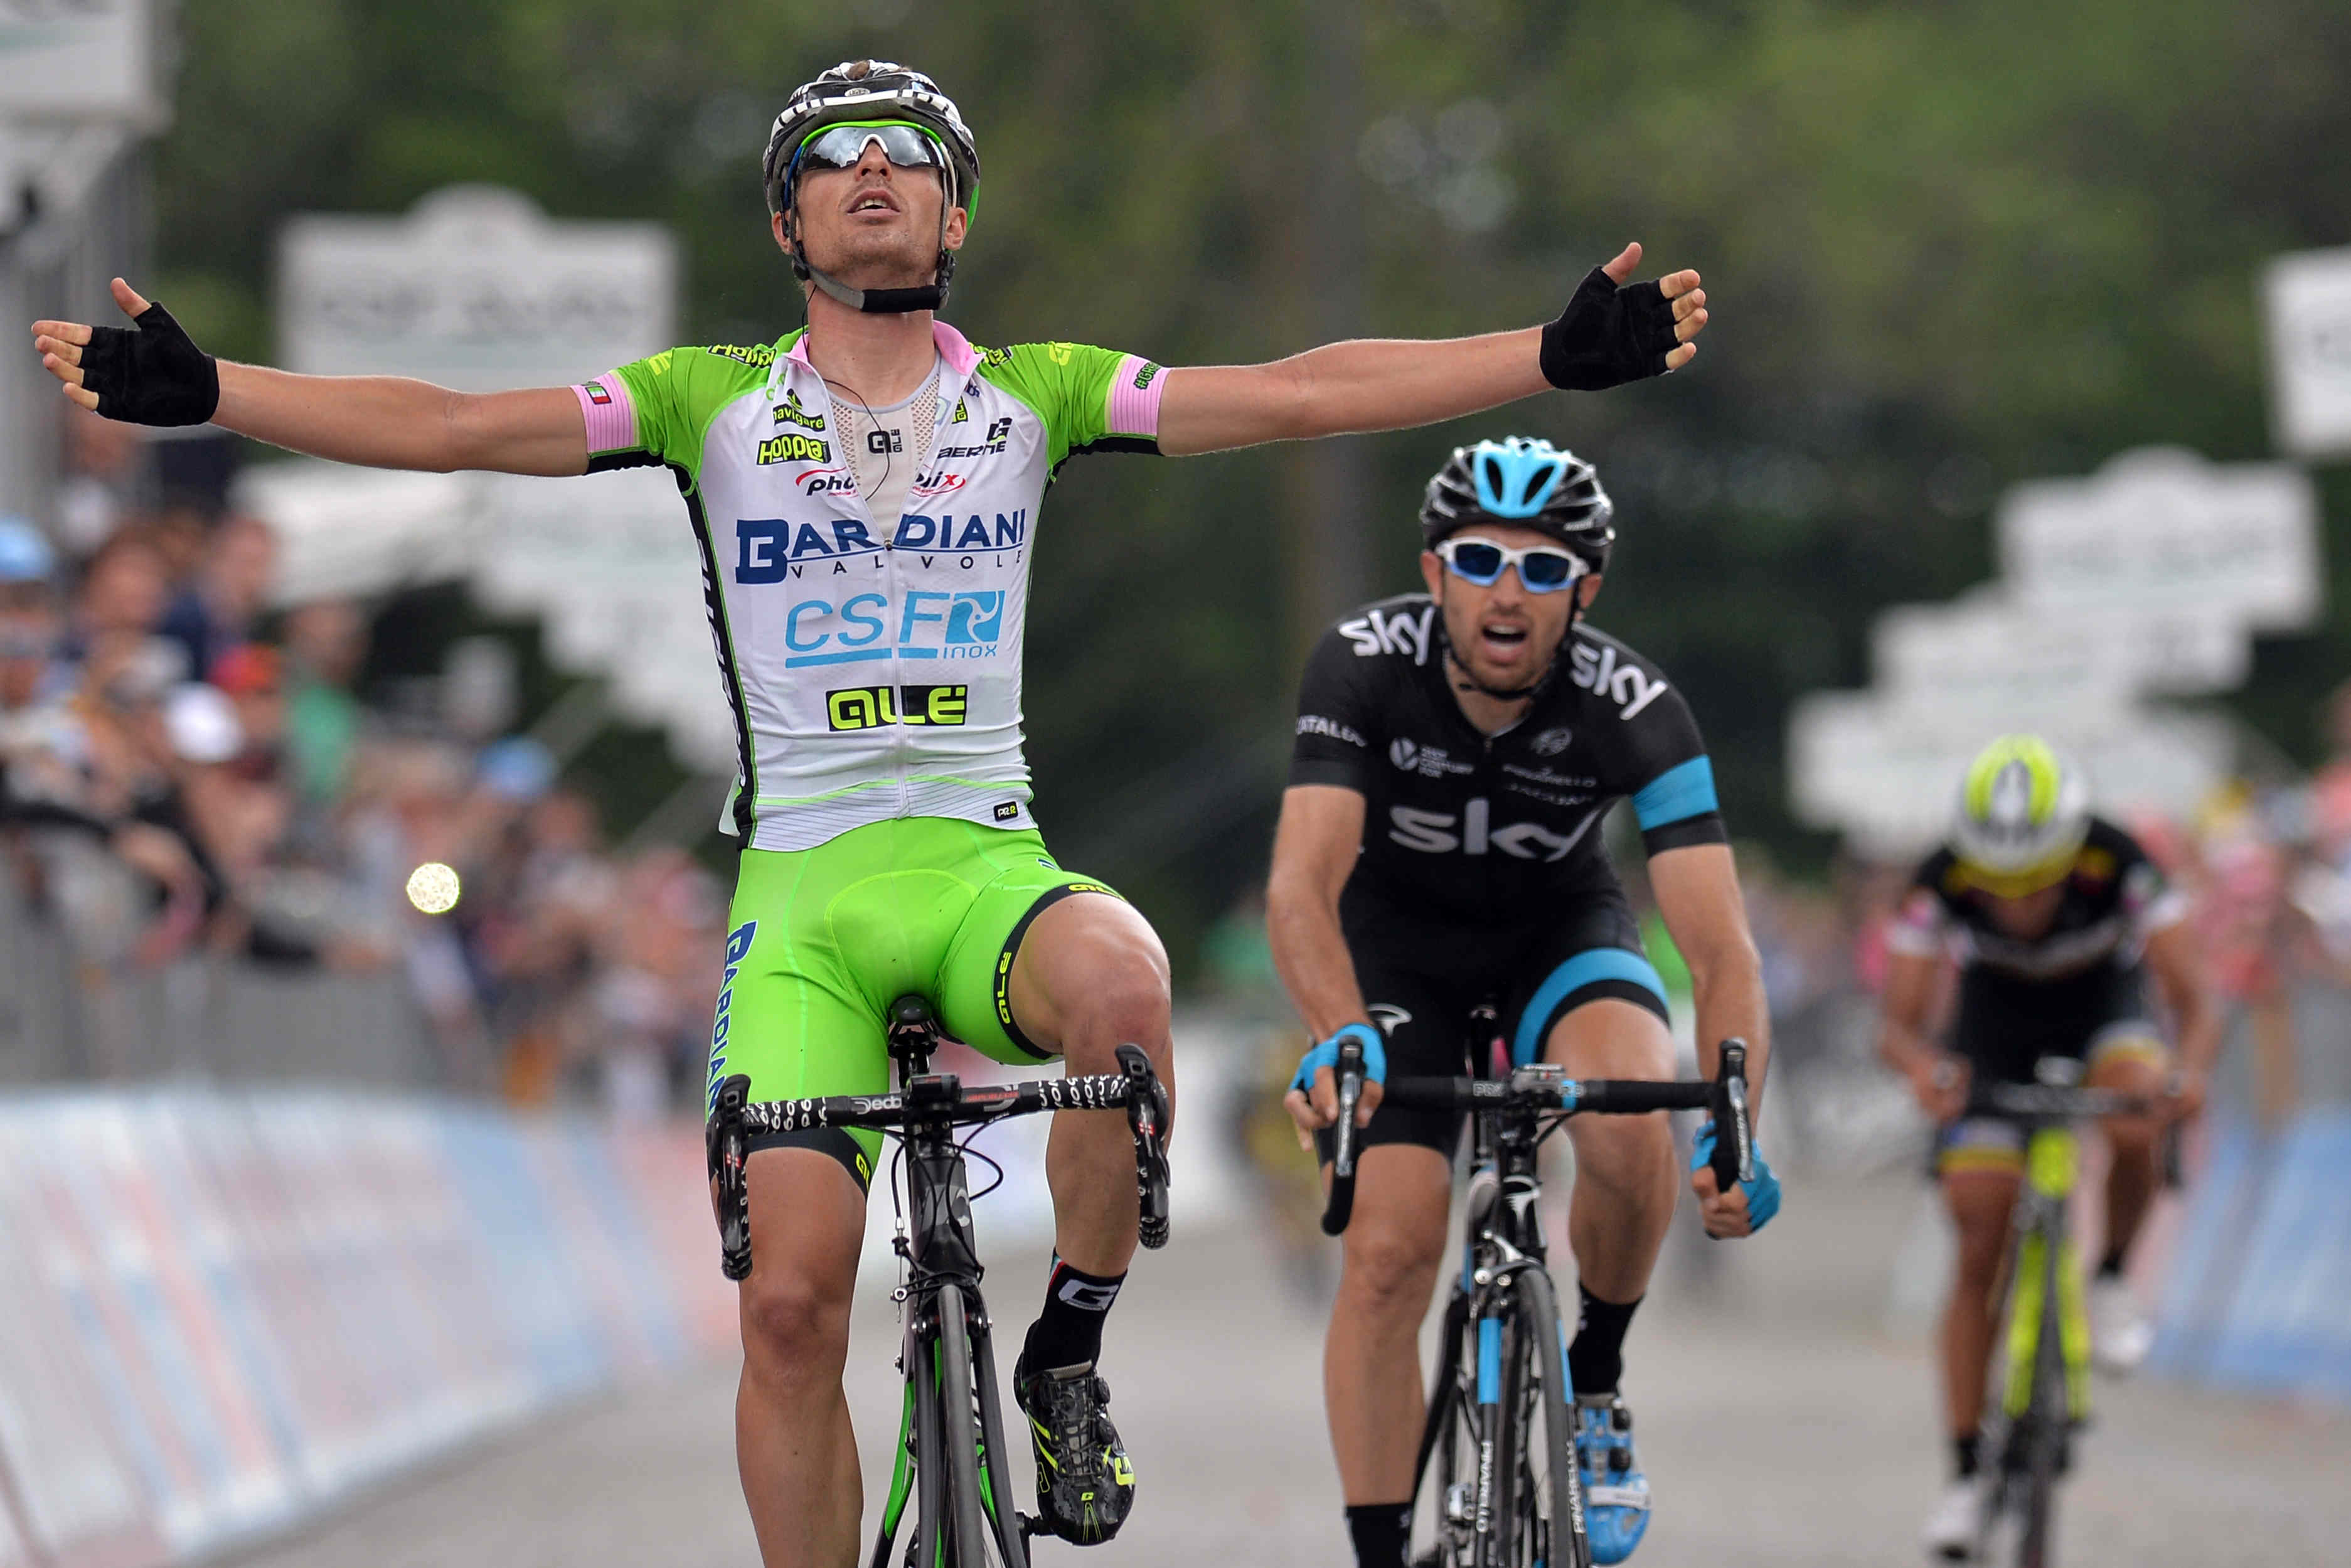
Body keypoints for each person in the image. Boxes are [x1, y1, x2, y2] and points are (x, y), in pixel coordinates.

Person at [30, 60, 1710, 1568]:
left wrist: (1541, 358)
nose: (875, 170)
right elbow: (463, 426)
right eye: (833, 154)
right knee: (787, 1310)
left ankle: (1064, 1352)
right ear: (788, 217)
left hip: (984, 861)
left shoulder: (1034, 393)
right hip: (805, 901)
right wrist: (217, 392)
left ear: (954, 209)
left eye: (911, 151)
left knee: (1121, 994)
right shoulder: (709, 401)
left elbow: (1285, 391)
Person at [1268, 438, 1779, 1567]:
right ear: (1434, 570)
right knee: (1392, 1250)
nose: (1509, 591)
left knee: (1633, 1118)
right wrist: (1336, 1036)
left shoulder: (1636, 704)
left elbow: (1721, 945)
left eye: (1543, 570)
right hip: (1397, 955)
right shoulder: (1360, 662)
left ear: (1584, 592)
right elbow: (1302, 888)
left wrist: (1737, 1121)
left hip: (1561, 932)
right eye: (1481, 560)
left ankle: (1594, 1385)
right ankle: (1378, 1551)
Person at [1875, 734, 2216, 1560]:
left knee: (2138, 1105)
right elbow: (1898, 1026)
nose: (2020, 903)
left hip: (2105, 1012)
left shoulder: (2123, 859)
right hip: (1993, 1031)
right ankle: (1964, 1474)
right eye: (2001, 885)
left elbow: (2195, 1001)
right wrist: (1926, 1070)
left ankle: (2110, 1277)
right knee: (1978, 1227)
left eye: (2039, 881)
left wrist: (2188, 1077)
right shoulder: (1941, 876)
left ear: (2073, 852)